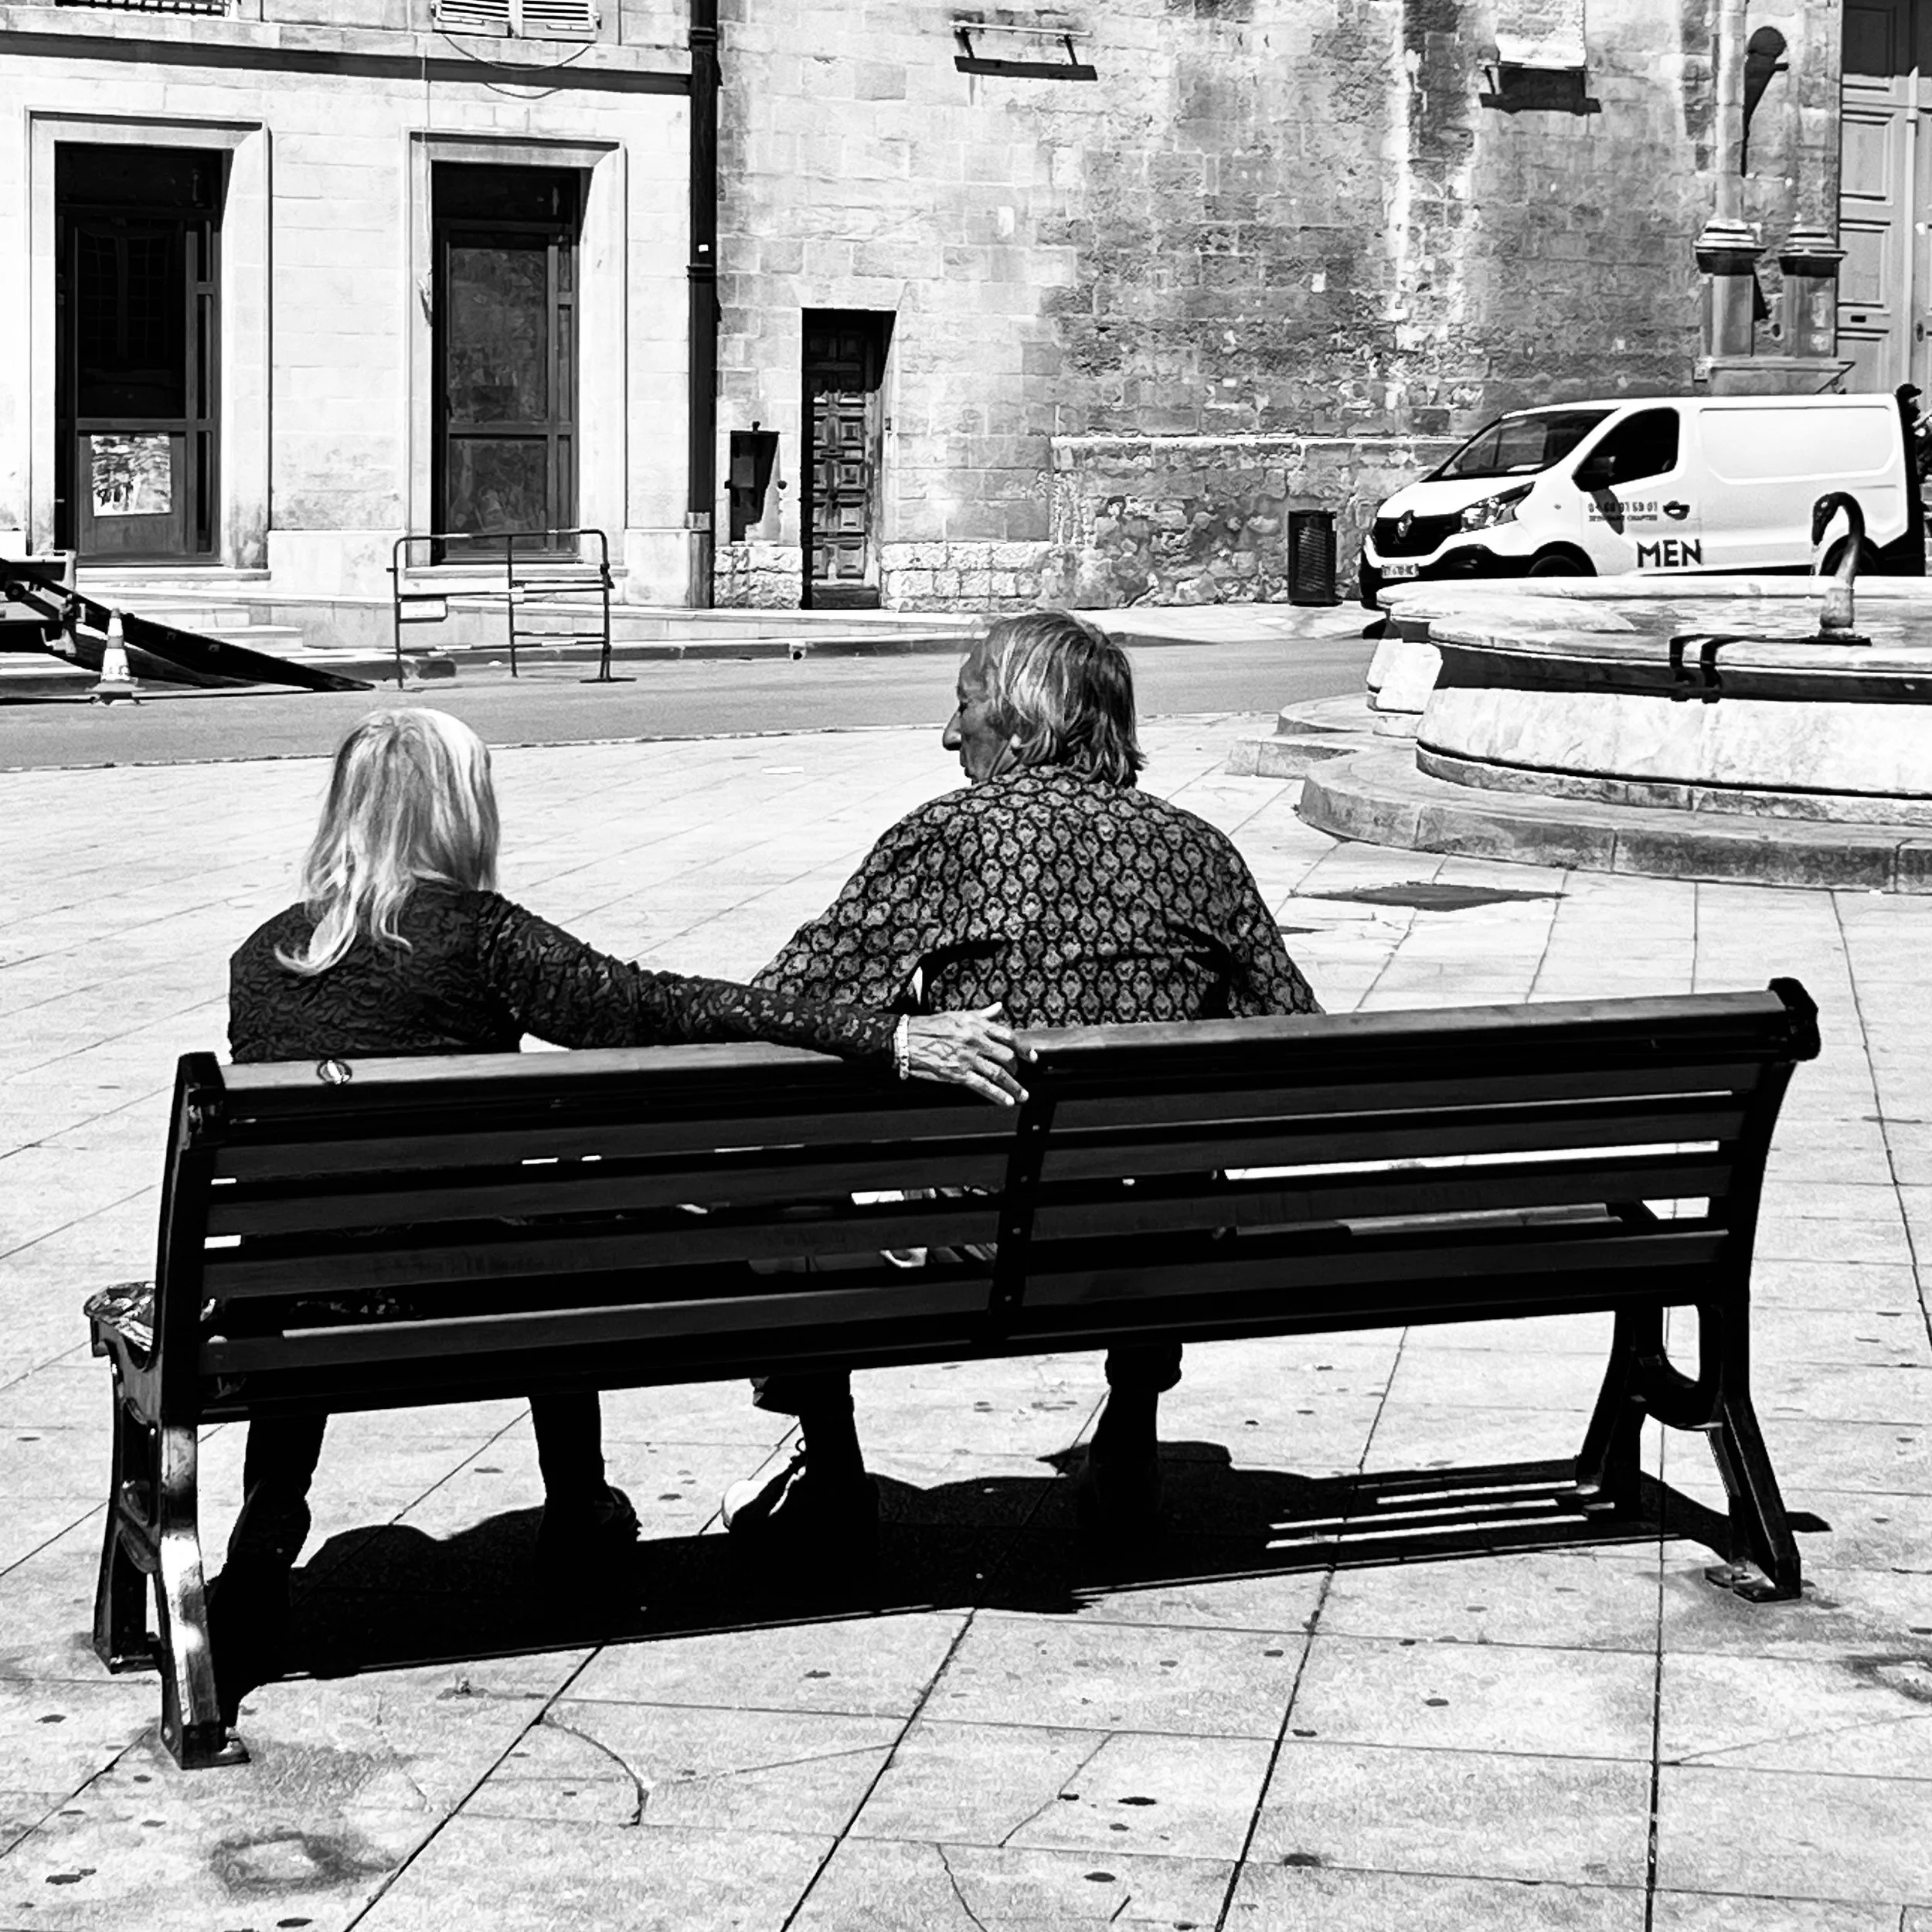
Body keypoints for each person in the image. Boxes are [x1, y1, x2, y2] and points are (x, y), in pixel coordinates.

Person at [211, 707, 1023, 1718]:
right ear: (458, 814)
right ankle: (576, 1504)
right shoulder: (480, 939)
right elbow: (668, 1006)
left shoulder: (260, 957)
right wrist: (890, 1039)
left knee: (320, 1239)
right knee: (543, 1236)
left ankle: (267, 1522)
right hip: (482, 1299)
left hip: (293, 1314)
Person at [719, 610, 1321, 1554]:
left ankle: (831, 1464)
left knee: (785, 1180)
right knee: (1154, 1170)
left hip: (983, 1243)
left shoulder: (947, 840)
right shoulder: (1200, 850)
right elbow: (1298, 1039)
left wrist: (898, 1032)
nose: (951, 733)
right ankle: (1128, 1437)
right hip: (1158, 1240)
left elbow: (785, 1002)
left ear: (1021, 714)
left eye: (964, 705)